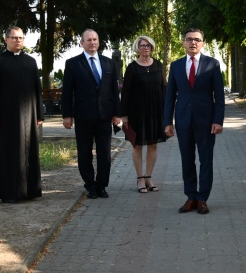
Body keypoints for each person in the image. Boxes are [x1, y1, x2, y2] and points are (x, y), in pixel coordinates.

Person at [164, 28, 225, 215]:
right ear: (183, 43)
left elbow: (219, 96)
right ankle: (191, 197)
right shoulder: (175, 66)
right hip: (183, 121)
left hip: (206, 122)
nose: (193, 43)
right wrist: (168, 121)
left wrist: (218, 120)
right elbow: (170, 96)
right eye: (189, 39)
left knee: (206, 160)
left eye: (197, 40)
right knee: (187, 160)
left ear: (203, 44)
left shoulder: (212, 64)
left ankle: (202, 199)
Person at [0, 26, 44, 203]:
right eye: (14, 38)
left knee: (28, 152)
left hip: (30, 117)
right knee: (9, 154)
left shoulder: (31, 62)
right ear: (6, 39)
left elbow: (37, 90)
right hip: (7, 119)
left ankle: (30, 191)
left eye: (21, 38)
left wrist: (39, 114)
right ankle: (10, 192)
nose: (18, 40)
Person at [62, 29, 121, 199]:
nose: (92, 42)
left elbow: (113, 91)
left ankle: (102, 185)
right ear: (82, 43)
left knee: (104, 153)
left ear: (99, 41)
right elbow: (67, 91)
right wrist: (67, 115)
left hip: (104, 116)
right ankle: (90, 185)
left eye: (95, 39)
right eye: (88, 40)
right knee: (84, 152)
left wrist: (117, 113)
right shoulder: (73, 63)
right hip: (83, 116)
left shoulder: (109, 63)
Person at [121, 35, 167, 193]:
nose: (146, 47)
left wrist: (167, 114)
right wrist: (124, 116)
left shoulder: (159, 65)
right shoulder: (132, 67)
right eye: (142, 45)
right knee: (137, 145)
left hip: (155, 112)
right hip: (136, 112)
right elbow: (125, 92)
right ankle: (140, 179)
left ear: (152, 47)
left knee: (153, 144)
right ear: (137, 48)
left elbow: (164, 89)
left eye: (148, 45)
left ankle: (149, 177)